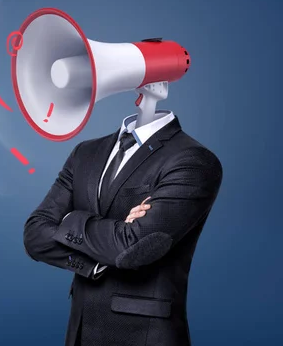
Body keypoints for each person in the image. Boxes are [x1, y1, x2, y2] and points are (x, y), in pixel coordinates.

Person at [23, 109, 222, 346]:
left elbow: (132, 248)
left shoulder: (194, 160)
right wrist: (96, 260)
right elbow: (34, 235)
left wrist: (67, 221)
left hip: (144, 336)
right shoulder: (84, 153)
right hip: (79, 333)